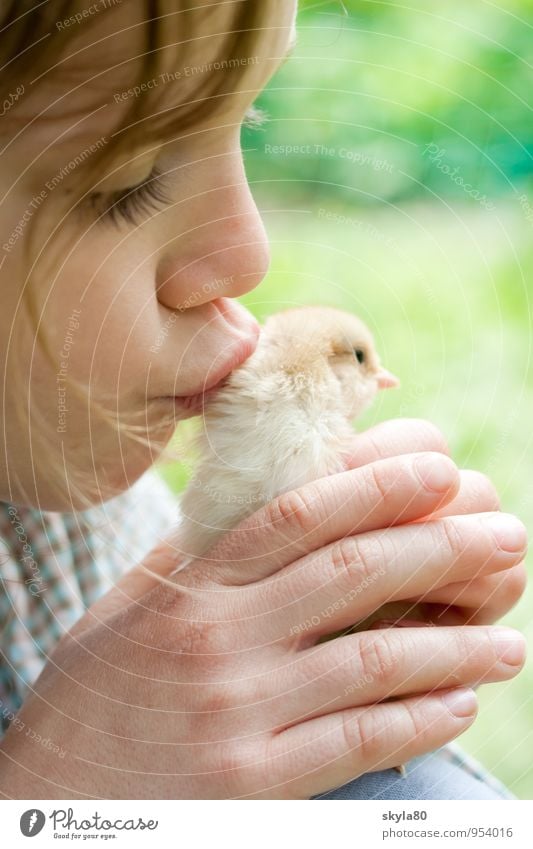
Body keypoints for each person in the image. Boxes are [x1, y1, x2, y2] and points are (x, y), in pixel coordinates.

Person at [0, 0, 527, 800]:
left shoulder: (61, 517)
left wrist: (324, 636)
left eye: (241, 126)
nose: (249, 252)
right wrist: (51, 798)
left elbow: (205, 689)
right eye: (125, 182)